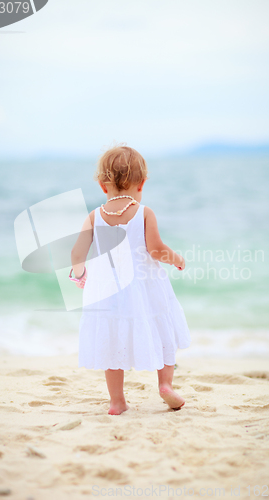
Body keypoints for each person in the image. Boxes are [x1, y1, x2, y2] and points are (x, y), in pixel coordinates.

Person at [71, 145, 191, 415]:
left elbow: (77, 253)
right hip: (146, 288)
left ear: (103, 186)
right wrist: (177, 259)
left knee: (113, 342)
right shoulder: (144, 212)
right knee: (162, 331)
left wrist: (80, 275)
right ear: (142, 183)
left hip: (109, 292)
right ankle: (165, 385)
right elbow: (156, 249)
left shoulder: (94, 216)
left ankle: (117, 401)